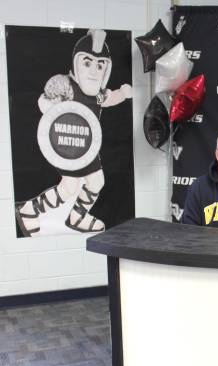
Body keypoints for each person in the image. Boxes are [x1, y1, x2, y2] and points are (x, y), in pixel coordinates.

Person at [15, 29, 132, 236]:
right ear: (77, 63)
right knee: (69, 187)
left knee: (97, 182)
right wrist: (50, 105)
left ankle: (77, 216)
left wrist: (122, 93)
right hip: (68, 147)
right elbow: (46, 103)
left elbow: (109, 98)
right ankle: (28, 210)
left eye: (100, 64)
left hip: (88, 148)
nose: (94, 70)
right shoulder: (66, 86)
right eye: (87, 63)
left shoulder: (97, 95)